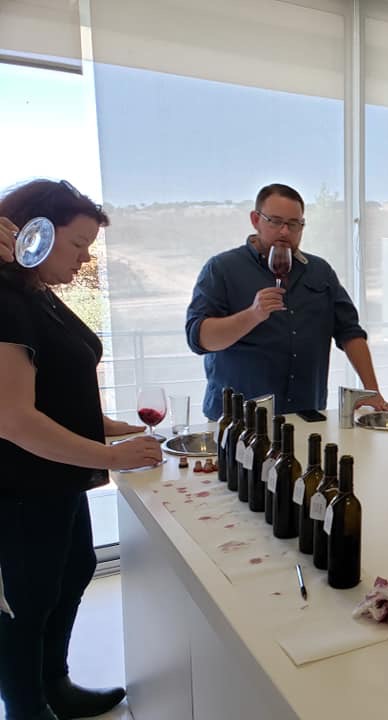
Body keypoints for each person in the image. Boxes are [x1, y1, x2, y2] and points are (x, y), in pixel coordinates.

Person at [0, 180, 162, 720]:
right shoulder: (4, 300)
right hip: (20, 490)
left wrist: (115, 430)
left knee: (70, 575)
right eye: (78, 244)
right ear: (33, 235)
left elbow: (59, 395)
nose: (85, 258)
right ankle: (25, 708)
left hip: (61, 480)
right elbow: (15, 420)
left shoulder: (36, 296)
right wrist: (115, 457)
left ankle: (54, 684)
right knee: (23, 608)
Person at [185, 183, 388, 419]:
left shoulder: (320, 271)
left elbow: (350, 332)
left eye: (294, 224)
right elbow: (199, 339)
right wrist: (253, 314)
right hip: (238, 423)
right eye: (275, 221)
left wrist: (372, 391)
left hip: (306, 416)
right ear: (255, 219)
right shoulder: (222, 269)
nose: (285, 231)